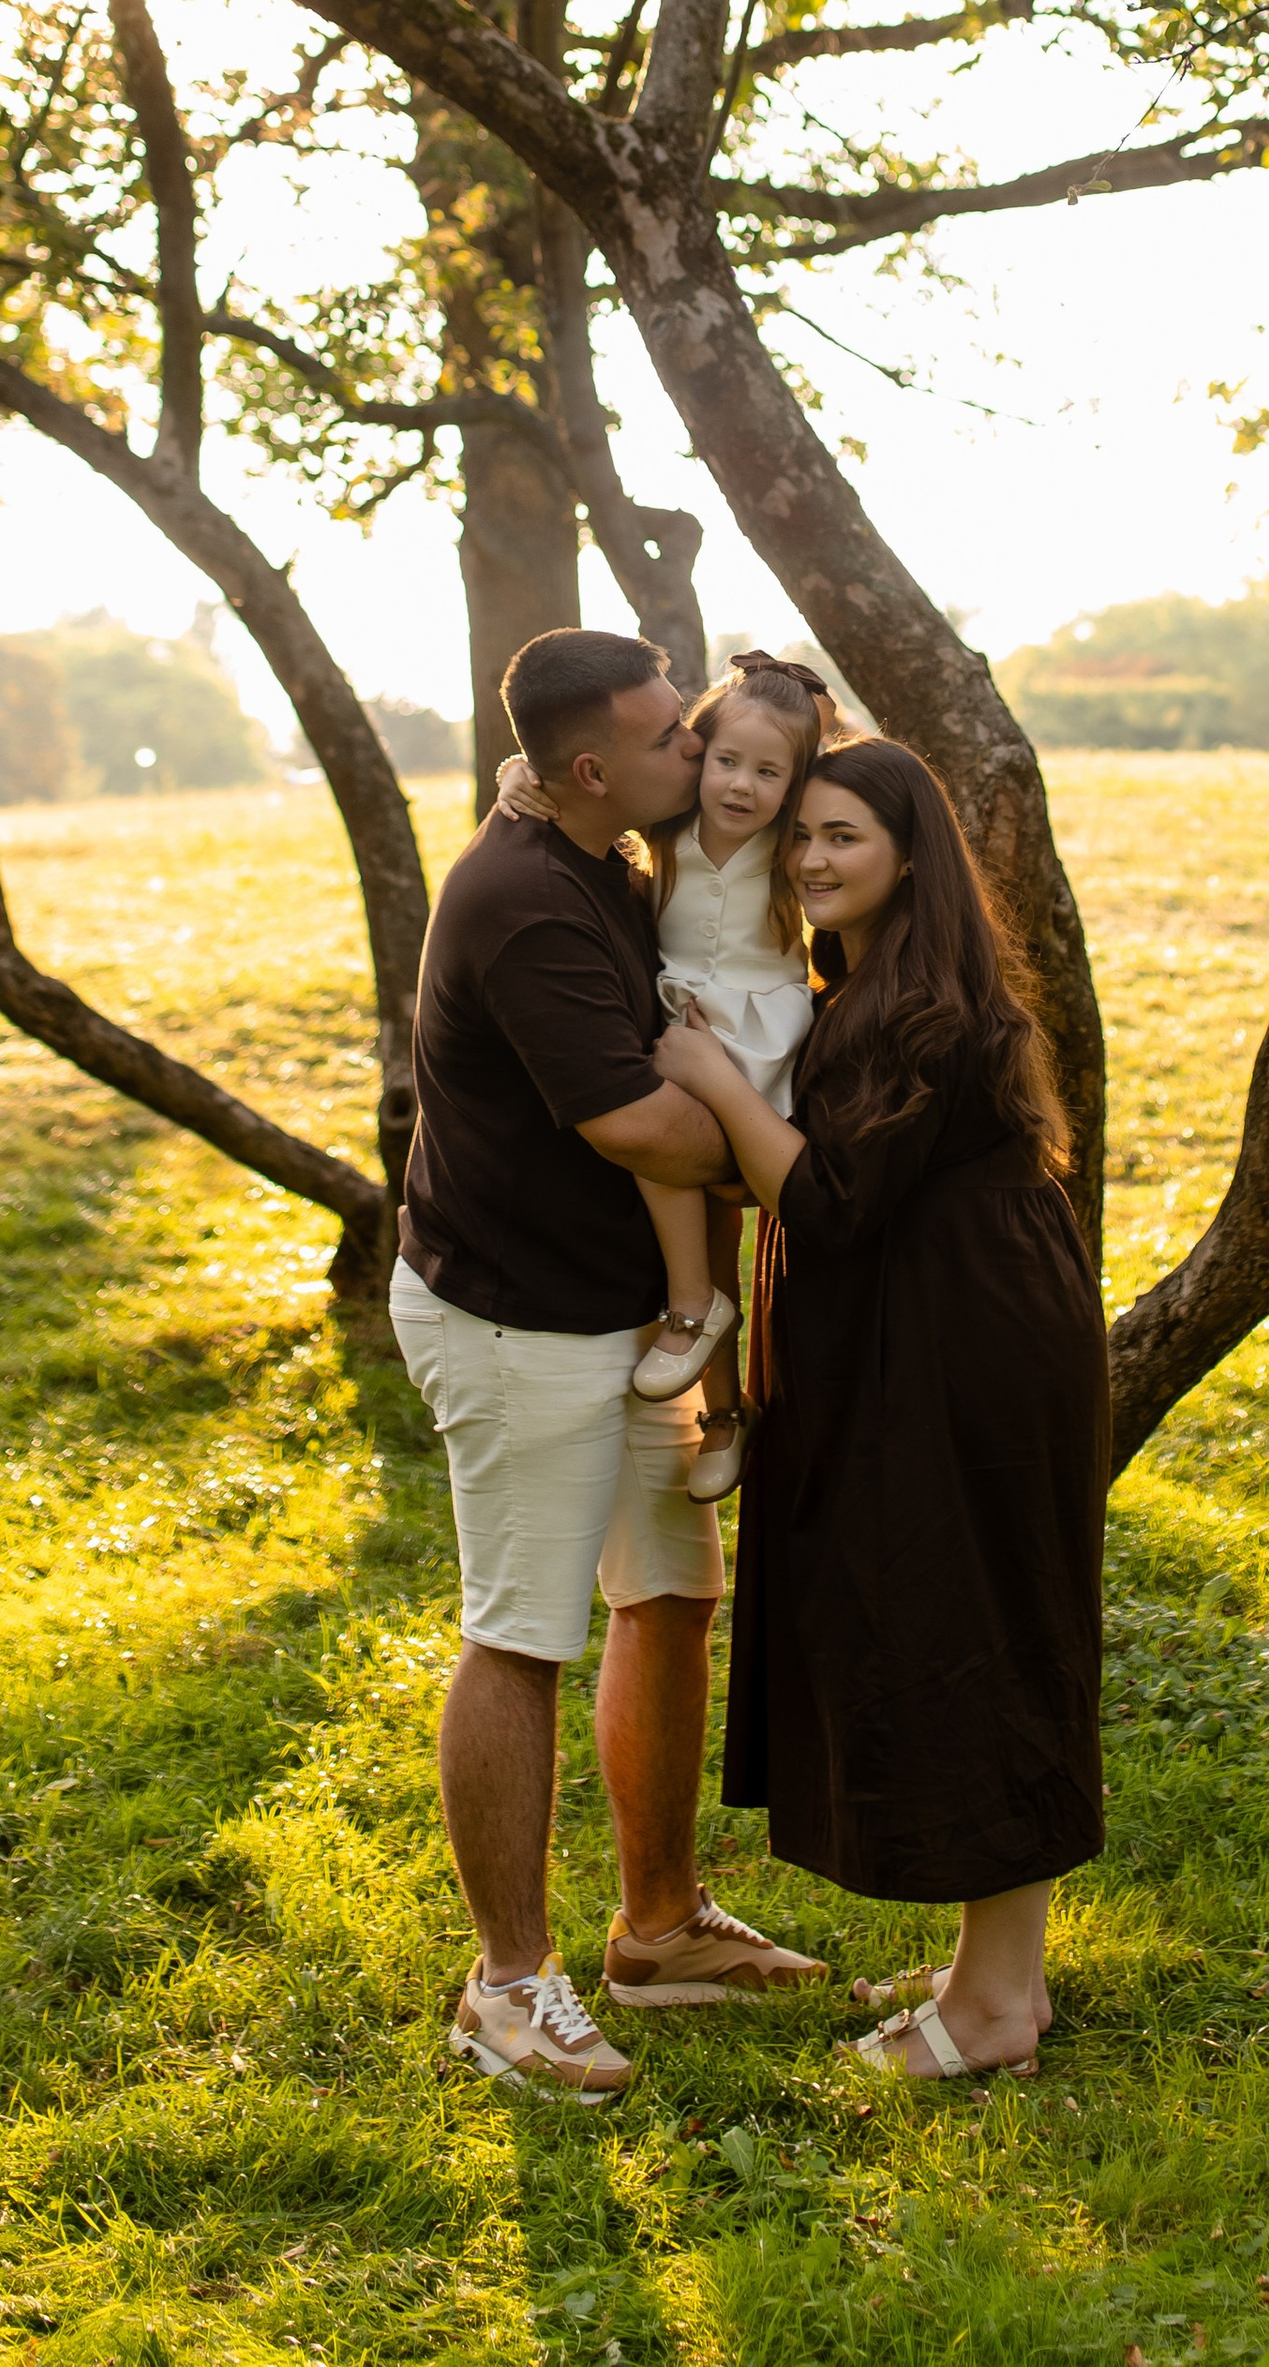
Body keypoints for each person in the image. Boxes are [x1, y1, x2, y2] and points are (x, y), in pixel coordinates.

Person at [391, 626, 825, 2101]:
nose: (698, 754)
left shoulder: (601, 847)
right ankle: (506, 1988)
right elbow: (641, 1127)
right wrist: (786, 1155)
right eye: (670, 739)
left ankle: (659, 1930)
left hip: (631, 1314)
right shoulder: (522, 898)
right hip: (519, 1319)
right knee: (521, 1634)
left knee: (673, 1595)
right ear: (591, 769)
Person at [655, 736, 1109, 2083]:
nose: (808, 858)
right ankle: (998, 1978)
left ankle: (987, 2017)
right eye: (801, 836)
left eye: (841, 835)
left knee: (980, 1634)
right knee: (957, 1625)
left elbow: (835, 1200)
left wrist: (719, 1082)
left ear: (910, 852)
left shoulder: (932, 1008)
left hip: (964, 1346)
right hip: (933, 1328)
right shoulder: (871, 985)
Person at [503, 652, 843, 1500]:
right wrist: (518, 770)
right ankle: (715, 1397)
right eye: (726, 760)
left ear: (798, 782)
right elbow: (582, 779)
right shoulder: (664, 829)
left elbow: (865, 786)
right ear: (698, 752)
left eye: (770, 773)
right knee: (664, 1169)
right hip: (683, 1027)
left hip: (766, 1042)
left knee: (753, 1222)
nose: (741, 786)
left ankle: (732, 1369)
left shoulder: (790, 845)